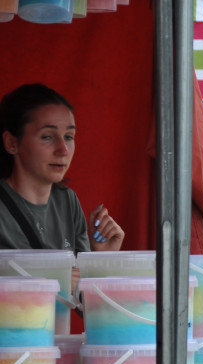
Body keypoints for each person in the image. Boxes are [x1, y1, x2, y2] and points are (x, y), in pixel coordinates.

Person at [0, 83, 124, 254]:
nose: (63, 150)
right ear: (11, 143)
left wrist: (101, 256)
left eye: (68, 136)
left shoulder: (67, 201)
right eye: (48, 137)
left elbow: (80, 278)